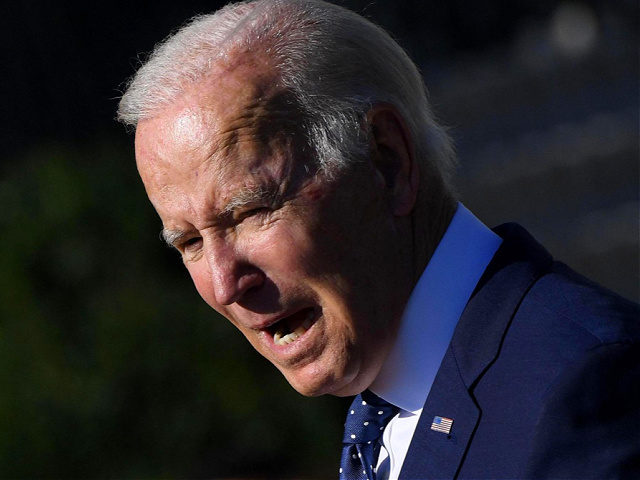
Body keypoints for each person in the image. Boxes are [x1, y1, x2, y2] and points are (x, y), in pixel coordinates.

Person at [117, 0, 640, 478]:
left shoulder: (584, 386)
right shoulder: (382, 414)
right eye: (188, 243)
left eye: (251, 211)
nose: (224, 282)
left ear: (388, 162)